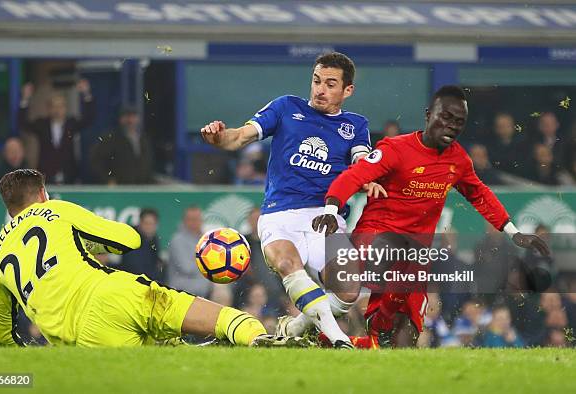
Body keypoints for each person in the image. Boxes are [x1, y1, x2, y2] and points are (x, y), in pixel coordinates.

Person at [312, 85, 550, 348]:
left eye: (459, 122)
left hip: (416, 254)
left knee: (406, 338)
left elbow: (479, 194)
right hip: (377, 238)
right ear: (429, 114)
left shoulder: (458, 160)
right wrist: (331, 209)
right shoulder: (395, 149)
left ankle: (345, 339)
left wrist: (514, 232)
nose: (451, 126)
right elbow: (353, 176)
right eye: (445, 117)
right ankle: (366, 322)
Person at [0, 169, 301, 347]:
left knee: (161, 365)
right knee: (223, 318)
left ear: (8, 206)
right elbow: (129, 239)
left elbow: (3, 333)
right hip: (114, 296)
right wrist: (88, 247)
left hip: (83, 341)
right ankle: (260, 340)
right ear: (43, 192)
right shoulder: (56, 209)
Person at [200, 52, 376, 348]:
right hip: (280, 214)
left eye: (331, 84)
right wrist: (219, 138)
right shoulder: (285, 108)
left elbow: (361, 161)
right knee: (286, 263)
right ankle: (338, 339)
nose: (320, 89)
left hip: (326, 217)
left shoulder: (356, 125)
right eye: (317, 81)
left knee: (348, 292)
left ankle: (294, 327)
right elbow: (240, 136)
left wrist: (367, 176)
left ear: (348, 90)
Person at [18, 79, 95, 184]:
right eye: (54, 106)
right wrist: (25, 99)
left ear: (65, 108)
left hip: (69, 175)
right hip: (46, 175)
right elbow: (23, 124)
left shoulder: (71, 124)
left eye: (60, 106)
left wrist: (86, 94)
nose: (57, 110)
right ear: (48, 109)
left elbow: (89, 119)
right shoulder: (42, 125)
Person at [90, 107, 154, 185]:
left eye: (133, 117)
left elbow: (146, 164)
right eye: (127, 116)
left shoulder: (144, 139)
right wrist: (107, 180)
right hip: (119, 188)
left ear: (138, 119)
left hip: (141, 188)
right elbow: (96, 161)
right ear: (121, 119)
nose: (130, 120)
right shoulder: (110, 138)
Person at [166, 206, 213, 298]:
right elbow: (187, 268)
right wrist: (209, 263)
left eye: (197, 219)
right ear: (185, 221)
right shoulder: (177, 239)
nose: (195, 222)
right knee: (219, 290)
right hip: (183, 287)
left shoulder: (206, 239)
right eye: (191, 219)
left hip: (202, 283)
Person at [117, 208, 163, 282]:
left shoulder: (154, 239)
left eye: (152, 224)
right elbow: (134, 268)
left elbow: (157, 263)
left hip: (148, 283)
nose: (149, 227)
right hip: (131, 282)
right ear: (140, 223)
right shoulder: (132, 237)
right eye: (146, 223)